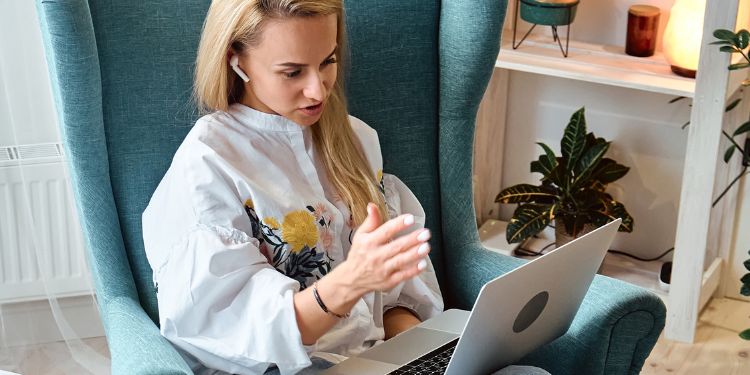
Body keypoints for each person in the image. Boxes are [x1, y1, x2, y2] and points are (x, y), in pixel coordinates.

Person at [142, 1, 548, 374]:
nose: (318, 90)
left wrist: (420, 355)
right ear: (236, 59)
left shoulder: (356, 140)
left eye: (327, 61)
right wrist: (351, 280)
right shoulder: (209, 164)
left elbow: (392, 303)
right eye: (292, 72)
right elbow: (239, 333)